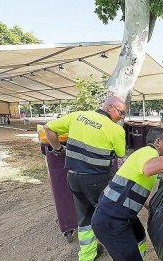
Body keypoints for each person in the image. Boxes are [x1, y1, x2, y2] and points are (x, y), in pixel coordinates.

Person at [91, 127, 163, 261]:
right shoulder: (148, 152)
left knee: (139, 237)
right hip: (111, 220)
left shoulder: (146, 156)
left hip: (121, 214)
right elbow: (149, 169)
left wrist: (154, 209)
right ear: (157, 142)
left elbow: (136, 191)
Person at [43, 96, 127, 261]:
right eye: (121, 112)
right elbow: (120, 154)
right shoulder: (116, 130)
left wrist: (59, 148)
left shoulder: (78, 116)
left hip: (74, 178)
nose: (121, 117)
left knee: (85, 216)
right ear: (109, 107)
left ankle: (87, 256)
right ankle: (121, 253)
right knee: (110, 215)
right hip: (98, 180)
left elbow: (48, 128)